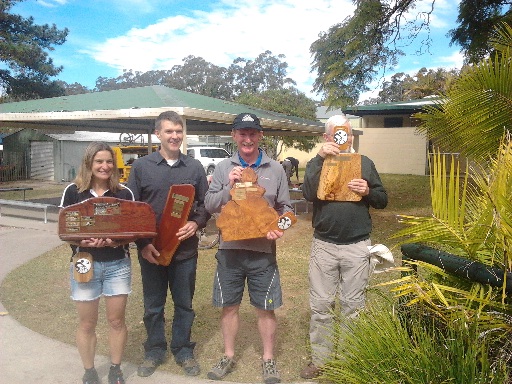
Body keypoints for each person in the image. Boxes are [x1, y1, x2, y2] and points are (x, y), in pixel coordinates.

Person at [205, 112, 293, 384]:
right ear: (234, 136)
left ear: (260, 136)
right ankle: (229, 355)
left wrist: (281, 227)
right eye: (242, 133)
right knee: (229, 306)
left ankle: (268, 360)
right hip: (229, 250)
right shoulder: (222, 168)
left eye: (252, 133)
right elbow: (209, 205)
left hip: (262, 252)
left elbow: (287, 210)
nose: (247, 138)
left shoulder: (275, 169)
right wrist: (228, 185)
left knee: (265, 308)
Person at [300, 114, 388, 379]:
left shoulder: (365, 163)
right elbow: (306, 194)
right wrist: (318, 158)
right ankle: (321, 360)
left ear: (351, 136)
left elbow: (382, 200)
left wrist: (368, 191)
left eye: (347, 134)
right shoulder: (318, 163)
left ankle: (350, 358)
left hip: (357, 246)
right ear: (327, 137)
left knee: (354, 308)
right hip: (324, 245)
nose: (343, 138)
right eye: (337, 134)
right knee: (321, 306)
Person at [126, 111, 210, 377]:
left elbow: (205, 205)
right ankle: (154, 349)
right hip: (152, 251)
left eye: (178, 131)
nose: (175, 136)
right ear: (157, 135)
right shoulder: (141, 167)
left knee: (184, 303)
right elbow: (133, 210)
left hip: (184, 252)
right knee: (153, 305)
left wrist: (196, 223)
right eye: (169, 131)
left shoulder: (194, 168)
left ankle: (183, 348)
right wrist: (142, 244)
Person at [60, 141, 135, 384]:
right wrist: (84, 240)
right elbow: (64, 230)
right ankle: (90, 371)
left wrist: (114, 241)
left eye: (109, 161)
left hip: (117, 265)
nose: (105, 166)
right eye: (99, 161)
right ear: (89, 164)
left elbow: (133, 231)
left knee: (116, 320)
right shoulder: (73, 191)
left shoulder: (124, 193)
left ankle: (115, 368)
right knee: (87, 322)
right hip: (84, 262)